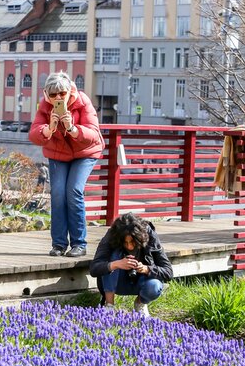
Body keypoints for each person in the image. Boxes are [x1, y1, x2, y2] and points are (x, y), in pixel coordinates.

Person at [29, 71, 105, 258]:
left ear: (69, 91)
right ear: (47, 94)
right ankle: (59, 244)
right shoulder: (45, 106)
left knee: (74, 191)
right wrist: (49, 129)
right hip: (59, 154)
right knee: (57, 193)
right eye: (53, 94)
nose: (58, 98)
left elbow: (94, 134)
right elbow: (33, 133)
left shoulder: (82, 101)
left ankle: (79, 243)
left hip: (85, 152)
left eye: (62, 93)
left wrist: (72, 128)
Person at [89, 212, 173, 318]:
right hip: (116, 281)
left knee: (155, 286)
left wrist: (146, 269)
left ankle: (140, 303)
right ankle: (109, 305)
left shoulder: (149, 235)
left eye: (133, 242)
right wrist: (116, 264)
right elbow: (94, 268)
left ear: (140, 238)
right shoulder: (113, 234)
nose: (129, 246)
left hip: (142, 282)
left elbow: (168, 272)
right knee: (113, 257)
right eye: (125, 243)